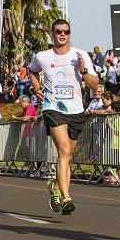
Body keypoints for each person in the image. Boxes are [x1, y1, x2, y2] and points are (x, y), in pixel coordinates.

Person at [29, 18, 98, 215]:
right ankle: (67, 198)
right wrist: (36, 88)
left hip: (76, 110)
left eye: (65, 31)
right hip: (53, 108)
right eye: (58, 31)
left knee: (68, 156)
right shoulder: (42, 56)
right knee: (64, 149)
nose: (62, 34)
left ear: (70, 34)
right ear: (52, 34)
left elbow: (95, 86)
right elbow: (32, 71)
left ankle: (55, 187)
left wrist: (83, 69)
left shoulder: (80, 55)